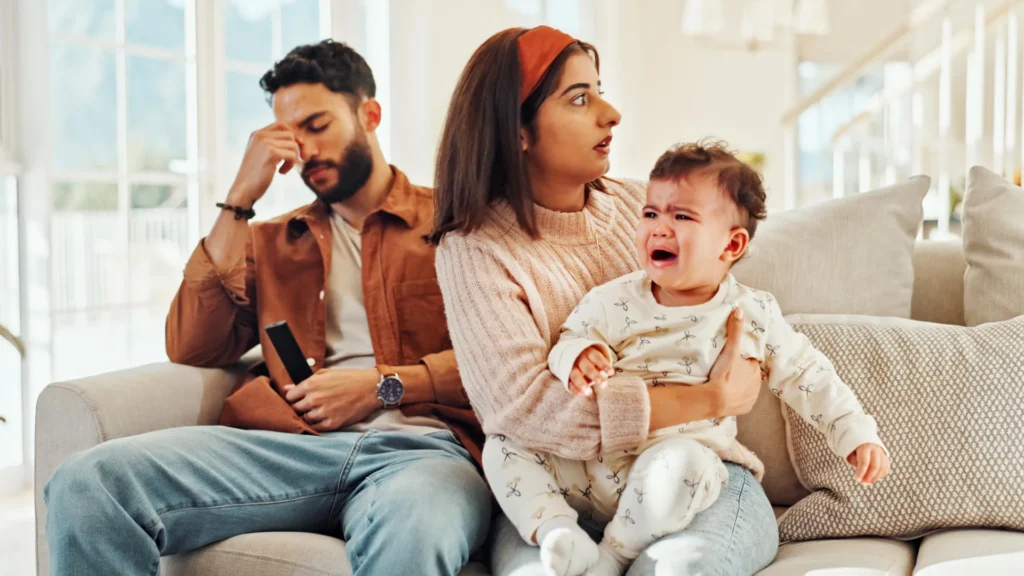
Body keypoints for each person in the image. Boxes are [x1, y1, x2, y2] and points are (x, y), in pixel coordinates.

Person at [44, 40, 490, 576]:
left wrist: (381, 385)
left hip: (424, 453)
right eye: (290, 135)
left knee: (415, 530)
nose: (305, 150)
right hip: (286, 448)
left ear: (368, 114)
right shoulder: (272, 242)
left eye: (318, 125)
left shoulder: (457, 223)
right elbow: (192, 343)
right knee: (88, 482)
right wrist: (239, 198)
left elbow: (509, 360)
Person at [430, 25, 781, 575]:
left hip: (696, 475)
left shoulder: (646, 207)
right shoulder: (474, 250)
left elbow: (728, 313)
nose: (611, 113)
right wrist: (710, 399)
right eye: (580, 98)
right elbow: (524, 410)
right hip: (557, 491)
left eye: (600, 90)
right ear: (516, 130)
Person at [485, 140, 892, 575]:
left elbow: (807, 374)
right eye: (650, 213)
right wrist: (578, 357)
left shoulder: (751, 314)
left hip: (668, 476)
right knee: (504, 442)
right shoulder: (613, 299)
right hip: (589, 466)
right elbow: (569, 340)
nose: (659, 228)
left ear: (731, 245)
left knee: (690, 462)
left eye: (681, 216)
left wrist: (855, 433)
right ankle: (555, 532)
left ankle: (613, 555)